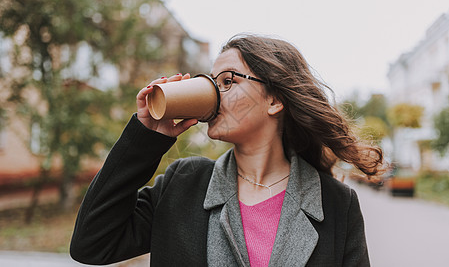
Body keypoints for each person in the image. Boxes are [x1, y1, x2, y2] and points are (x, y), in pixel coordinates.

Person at [70, 34, 384, 266]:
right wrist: (145, 139)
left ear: (274, 100)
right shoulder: (184, 183)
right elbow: (91, 243)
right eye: (212, 81)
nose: (214, 95)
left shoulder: (336, 203)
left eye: (228, 81)